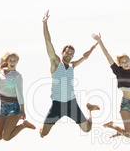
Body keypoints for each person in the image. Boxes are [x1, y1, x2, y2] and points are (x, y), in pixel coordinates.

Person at [40, 10, 100, 138]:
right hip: (57, 104)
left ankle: (89, 109)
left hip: (71, 103)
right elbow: (48, 42)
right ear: (62, 53)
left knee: (87, 129)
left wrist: (95, 46)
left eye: (71, 54)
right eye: (67, 53)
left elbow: (85, 56)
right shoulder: (56, 63)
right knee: (43, 134)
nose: (69, 55)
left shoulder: (72, 65)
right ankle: (42, 127)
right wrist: (44, 23)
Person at [91, 25, 130, 139]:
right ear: (120, 63)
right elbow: (107, 55)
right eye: (123, 61)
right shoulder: (118, 71)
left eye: (127, 60)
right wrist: (100, 41)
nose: (126, 62)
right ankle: (112, 126)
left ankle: (121, 131)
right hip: (126, 104)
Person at [0, 52, 36, 140]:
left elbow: (20, 94)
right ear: (7, 61)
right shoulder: (1, 71)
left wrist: (23, 110)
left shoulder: (17, 76)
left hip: (14, 107)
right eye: (10, 60)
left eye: (14, 61)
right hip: (3, 107)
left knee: (6, 137)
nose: (12, 62)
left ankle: (24, 125)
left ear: (17, 62)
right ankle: (21, 124)